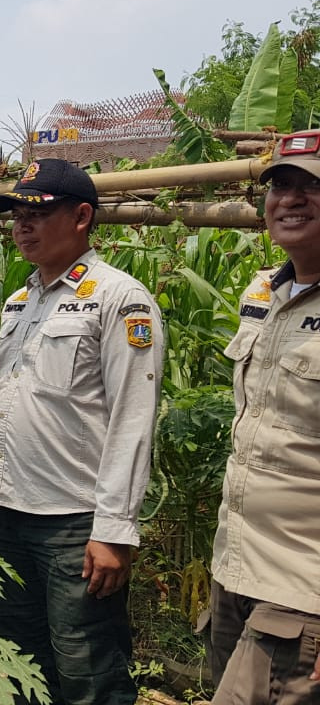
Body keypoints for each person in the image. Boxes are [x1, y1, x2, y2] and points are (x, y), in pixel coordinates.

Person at [0, 159, 163, 705]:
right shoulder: (19, 302)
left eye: (39, 212)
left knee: (87, 668)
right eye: (15, 215)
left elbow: (133, 415)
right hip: (11, 518)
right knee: (23, 662)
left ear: (82, 217)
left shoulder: (119, 299)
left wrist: (114, 529)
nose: (22, 226)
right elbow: (4, 401)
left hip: (75, 523)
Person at [206, 130, 320, 704]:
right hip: (238, 570)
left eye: (312, 186)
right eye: (281, 186)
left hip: (302, 587)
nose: (291, 199)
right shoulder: (267, 293)